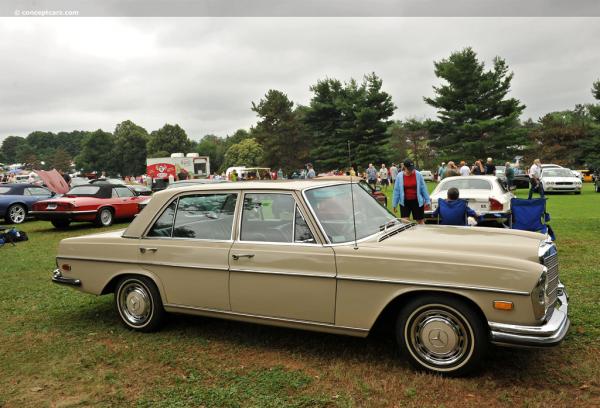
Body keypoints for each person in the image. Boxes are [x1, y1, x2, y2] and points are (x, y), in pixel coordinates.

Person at [392, 158, 431, 225]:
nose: (411, 170)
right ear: (404, 167)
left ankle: (423, 234)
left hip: (417, 201)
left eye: (412, 168)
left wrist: (427, 201)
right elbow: (396, 191)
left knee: (420, 221)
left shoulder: (418, 175)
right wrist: (394, 204)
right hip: (404, 202)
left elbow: (423, 188)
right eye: (409, 169)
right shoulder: (399, 176)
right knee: (405, 222)